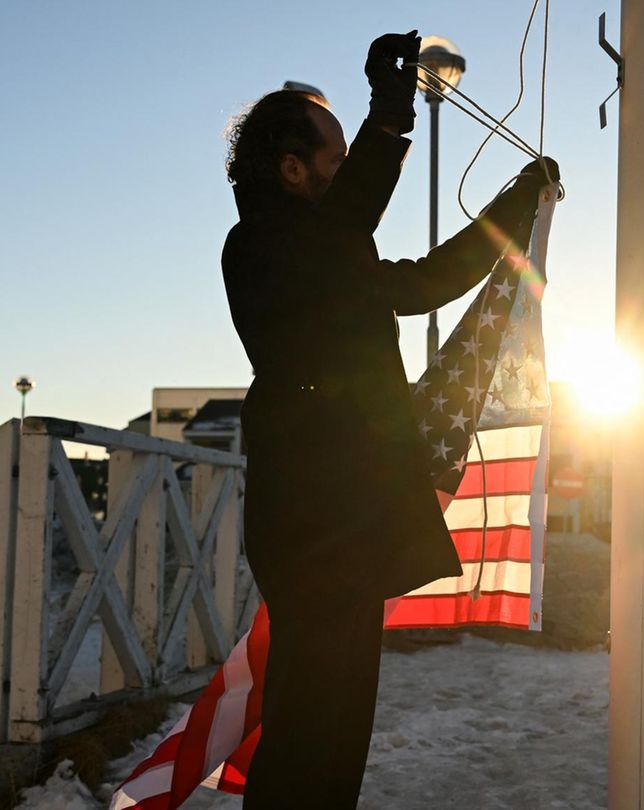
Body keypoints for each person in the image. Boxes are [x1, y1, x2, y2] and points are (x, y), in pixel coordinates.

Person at [220, 31, 559, 808]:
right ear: (291, 168)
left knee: (338, 738)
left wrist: (517, 204)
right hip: (313, 525)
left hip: (348, 519)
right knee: (310, 732)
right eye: (336, 161)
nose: (346, 177)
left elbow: (425, 283)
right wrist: (391, 114)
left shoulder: (329, 252)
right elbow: (344, 229)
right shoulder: (261, 245)